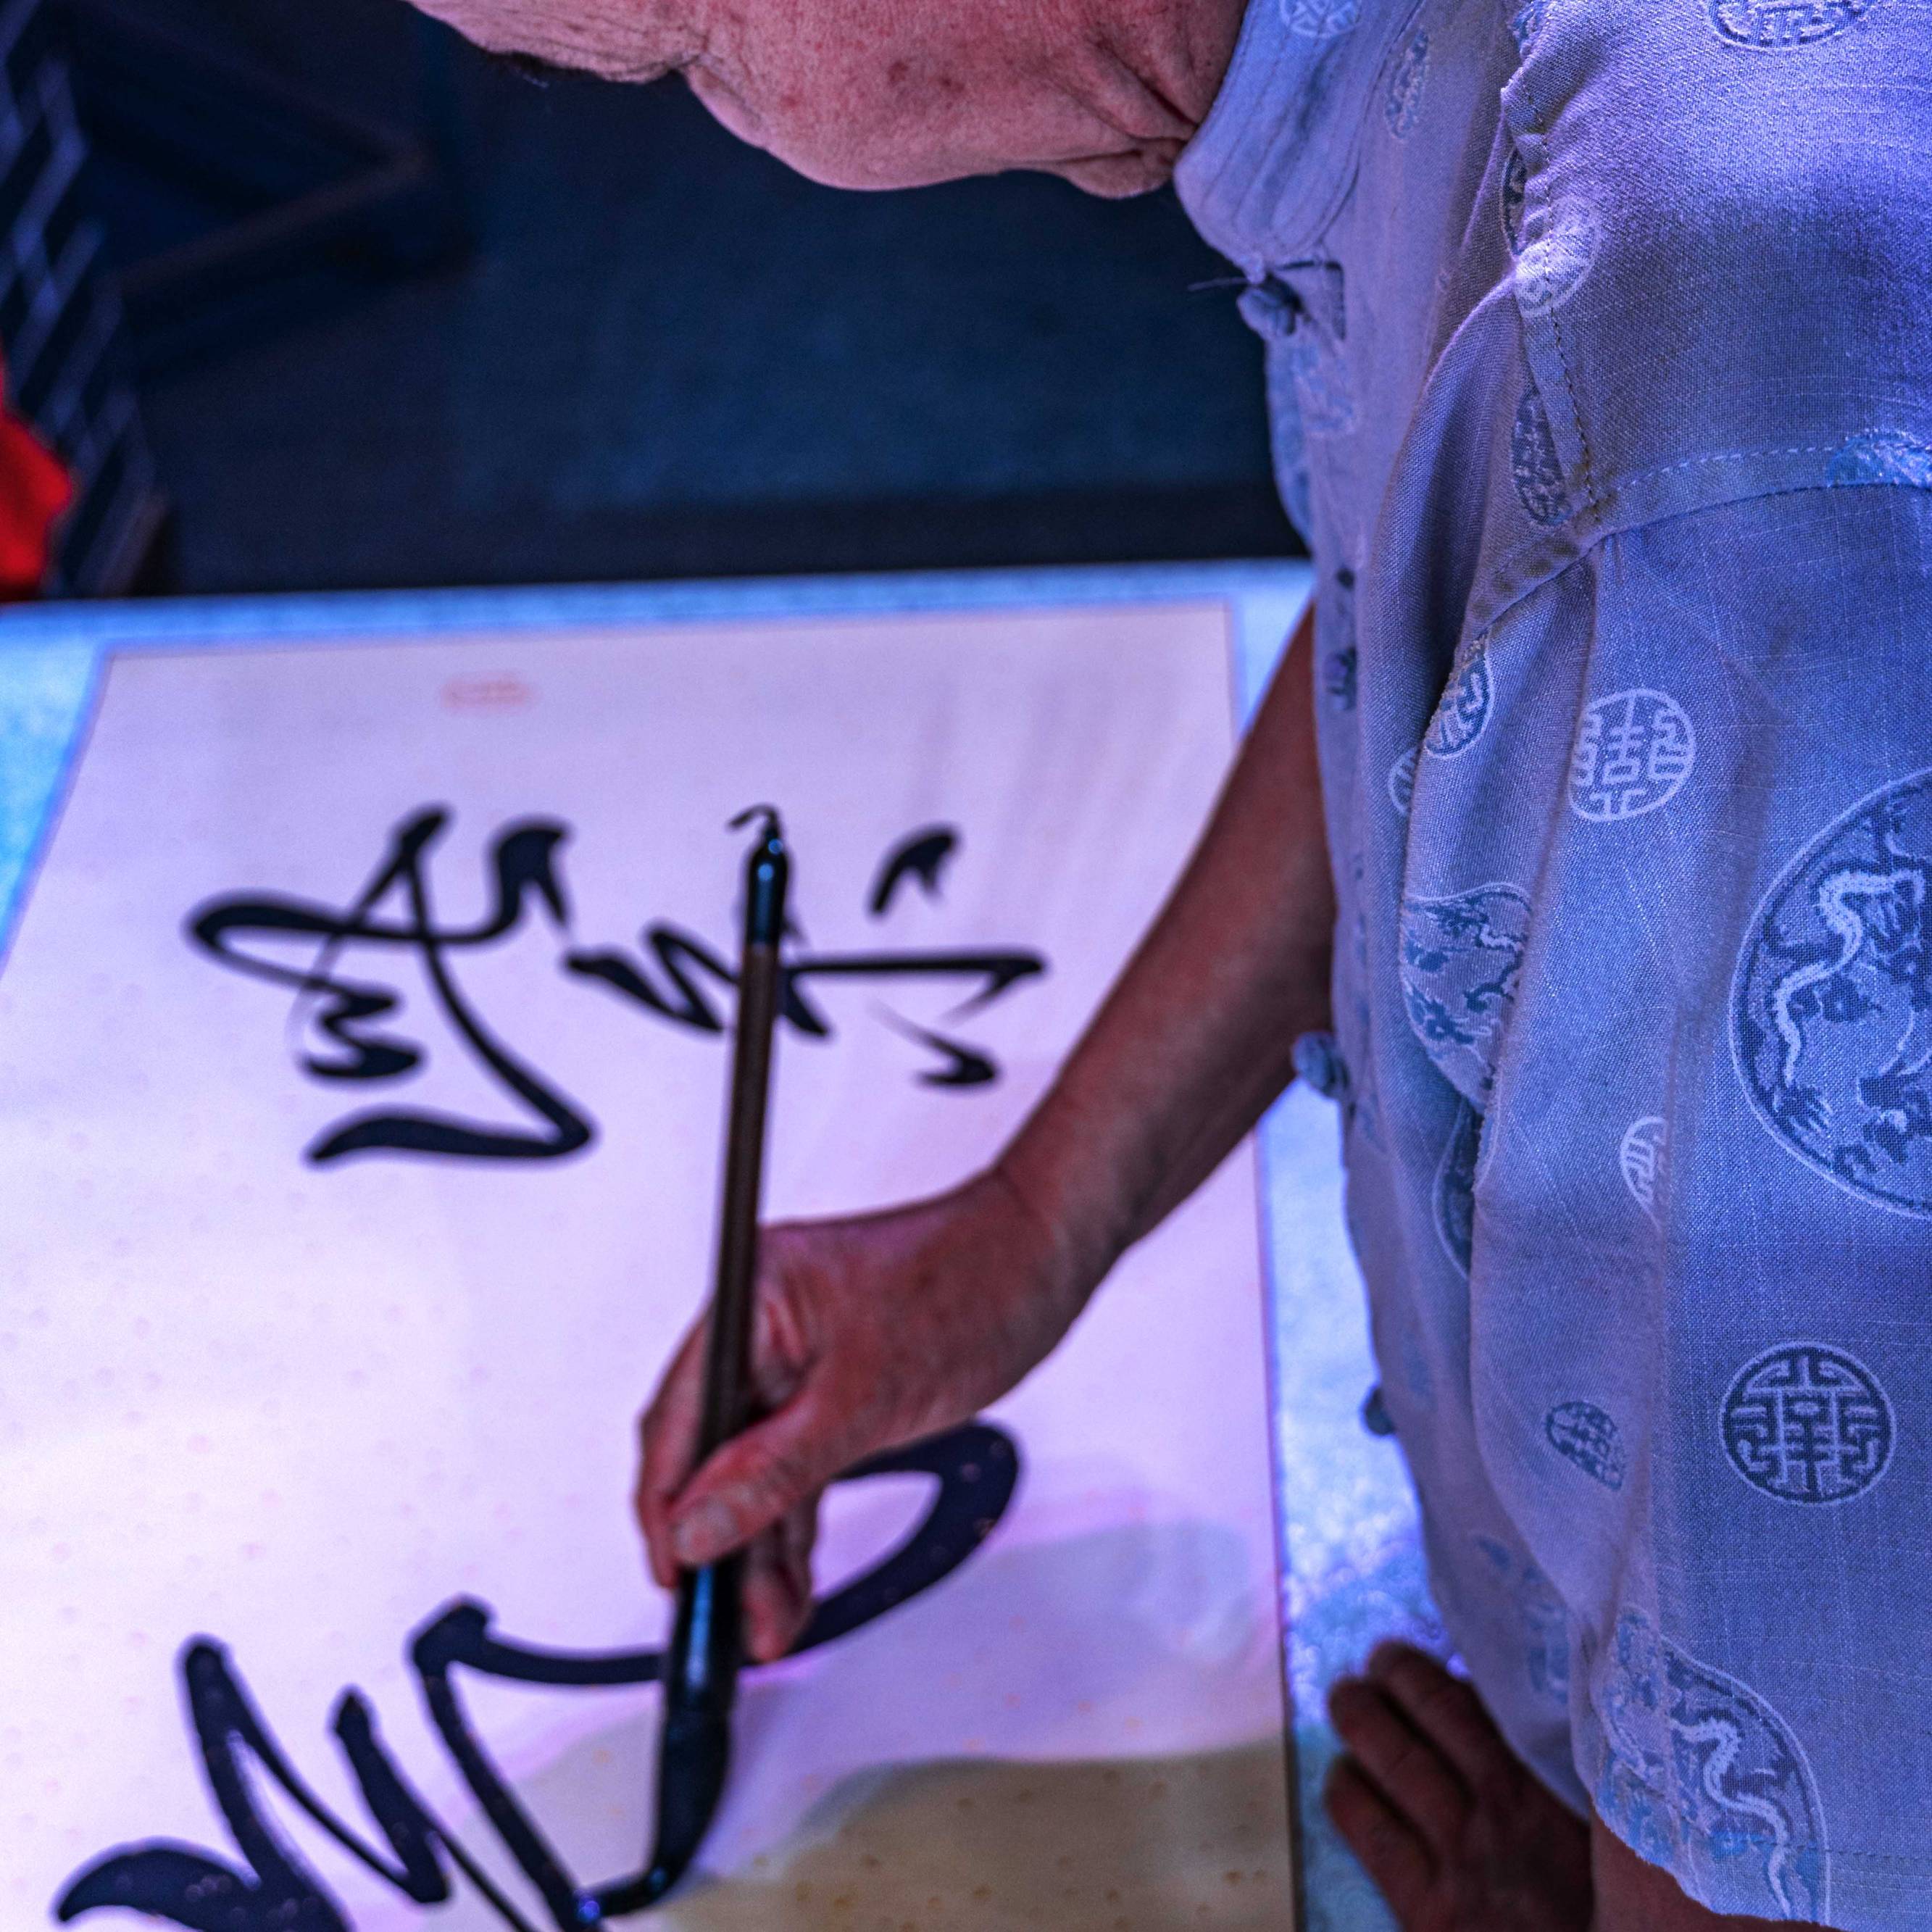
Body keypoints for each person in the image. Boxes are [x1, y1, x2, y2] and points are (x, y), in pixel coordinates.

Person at [407, 0, 1931, 1922]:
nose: (755, 154)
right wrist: (1029, 1224)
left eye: (683, 66)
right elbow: (1475, 610)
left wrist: (1638, 1892)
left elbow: (1835, 1690)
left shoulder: (1714, 374)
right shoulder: (1470, 151)